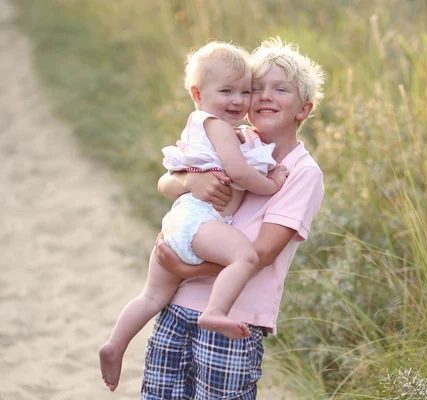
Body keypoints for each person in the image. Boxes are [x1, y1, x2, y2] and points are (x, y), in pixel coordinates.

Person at [99, 41, 289, 392]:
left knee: (152, 297)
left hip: (182, 222)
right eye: (227, 91)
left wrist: (190, 180)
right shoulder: (215, 126)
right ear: (197, 94)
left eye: (244, 92)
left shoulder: (219, 130)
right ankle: (215, 311)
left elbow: (173, 179)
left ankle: (115, 344)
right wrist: (271, 184)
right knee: (244, 255)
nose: (237, 100)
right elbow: (238, 173)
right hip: (200, 220)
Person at [141, 37, 325, 399]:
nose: (265, 96)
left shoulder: (302, 172)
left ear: (303, 109)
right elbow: (166, 179)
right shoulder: (233, 139)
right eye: (257, 89)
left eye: (280, 89)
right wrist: (189, 180)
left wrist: (186, 269)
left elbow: (264, 251)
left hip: (234, 316)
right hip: (178, 305)